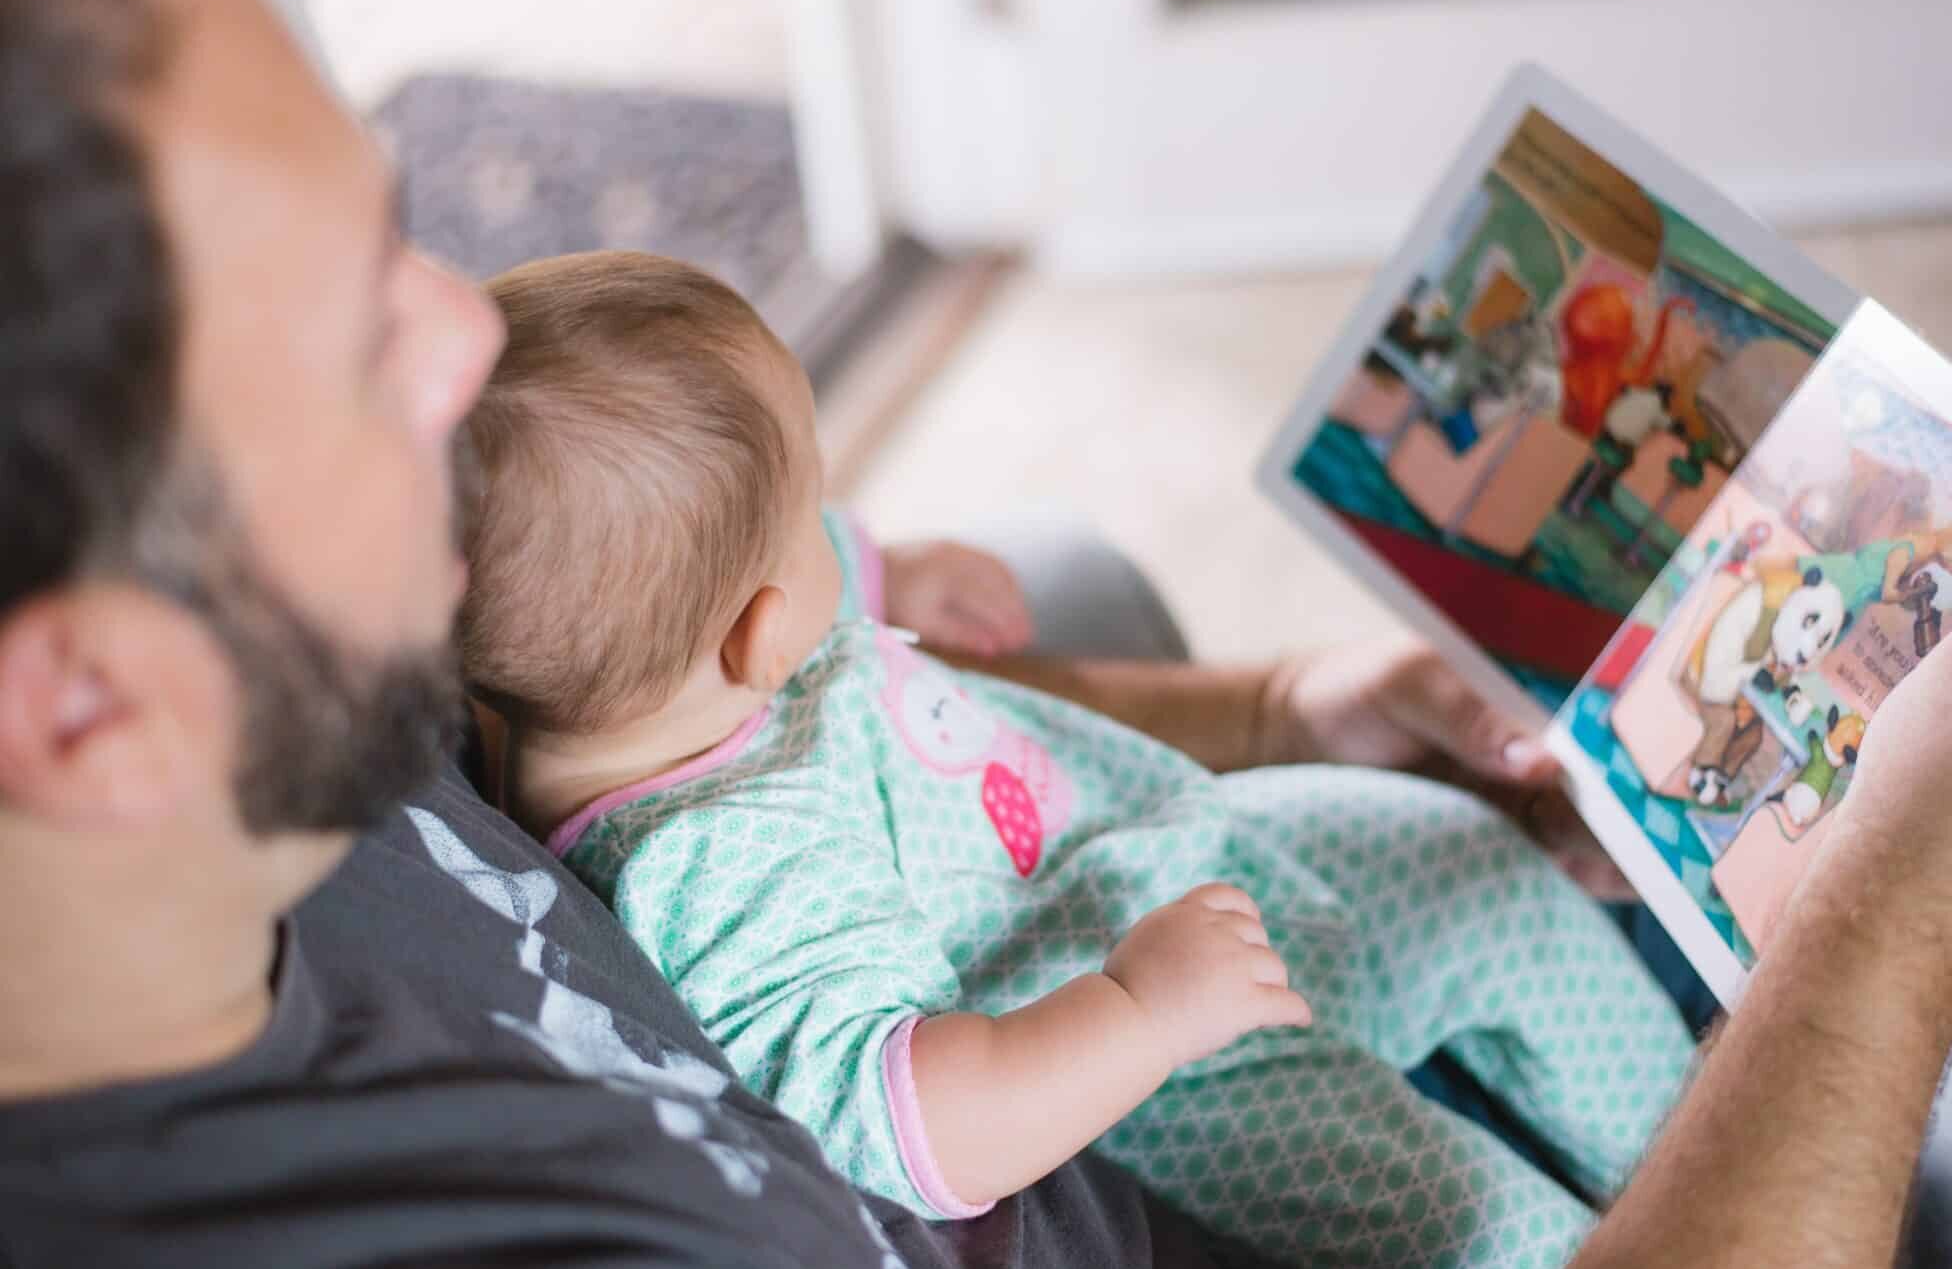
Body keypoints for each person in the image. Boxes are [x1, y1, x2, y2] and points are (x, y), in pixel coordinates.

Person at [1, 0, 1947, 1266]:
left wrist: (1268, 706)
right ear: (85, 707)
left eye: (406, 224)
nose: (463, 336)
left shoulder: (350, 651)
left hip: (1181, 903)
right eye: (355, 342)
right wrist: (1889, 889)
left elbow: (827, 708)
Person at [458, 249, 1692, 1265]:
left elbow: (737, 565)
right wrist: (1139, 1012)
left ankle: (1695, 1147)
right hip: (1179, 1064)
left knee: (1471, 859)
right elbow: (915, 1123)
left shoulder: (645, 671)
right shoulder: (724, 868)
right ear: (761, 631)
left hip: (1175, 844)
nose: (834, 528)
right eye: (814, 513)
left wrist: (886, 566)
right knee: (1482, 1233)